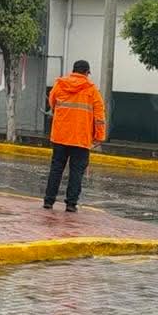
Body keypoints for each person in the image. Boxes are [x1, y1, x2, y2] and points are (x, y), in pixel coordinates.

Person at [43, 60, 107, 213]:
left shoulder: (60, 84)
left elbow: (52, 103)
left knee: (56, 169)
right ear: (86, 73)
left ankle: (48, 201)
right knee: (76, 171)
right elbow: (99, 116)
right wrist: (99, 136)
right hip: (81, 137)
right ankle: (71, 204)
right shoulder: (92, 90)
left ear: (73, 71)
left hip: (60, 136)